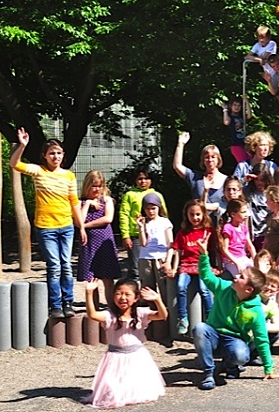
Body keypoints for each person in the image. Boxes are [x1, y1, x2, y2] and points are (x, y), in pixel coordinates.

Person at [10, 127, 85, 319]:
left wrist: (81, 226)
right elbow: (14, 163)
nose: (56, 156)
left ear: (63, 155)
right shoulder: (38, 171)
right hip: (46, 227)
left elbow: (74, 202)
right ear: (44, 156)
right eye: (52, 153)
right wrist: (23, 145)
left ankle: (68, 302)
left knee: (66, 264)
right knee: (54, 266)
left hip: (66, 226)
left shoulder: (68, 175)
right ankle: (55, 304)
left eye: (59, 153)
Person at [190, 236, 274, 390]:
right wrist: (203, 255)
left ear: (248, 290)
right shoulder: (224, 287)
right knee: (200, 328)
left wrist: (268, 368)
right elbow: (207, 277)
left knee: (241, 355)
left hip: (234, 340)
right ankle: (209, 373)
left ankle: (229, 365)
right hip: (214, 334)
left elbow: (262, 338)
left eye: (241, 277)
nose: (235, 276)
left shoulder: (255, 310)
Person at [82, 278, 167, 408]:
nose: (122, 298)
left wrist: (157, 299)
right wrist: (89, 293)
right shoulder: (109, 315)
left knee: (137, 388)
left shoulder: (140, 313)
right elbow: (92, 315)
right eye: (118, 293)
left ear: (136, 297)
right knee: (112, 393)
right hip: (115, 356)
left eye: (127, 294)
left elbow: (162, 315)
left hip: (137, 355)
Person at [165, 200, 215, 336]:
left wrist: (217, 266)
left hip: (202, 265)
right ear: (187, 215)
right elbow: (177, 250)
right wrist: (174, 267)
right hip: (186, 265)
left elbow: (215, 249)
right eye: (191, 215)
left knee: (204, 290)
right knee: (181, 287)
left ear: (203, 215)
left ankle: (211, 318)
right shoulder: (183, 233)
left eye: (198, 214)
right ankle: (183, 318)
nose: (195, 218)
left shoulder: (208, 231)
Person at [78, 170, 121, 305]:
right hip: (88, 243)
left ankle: (112, 306)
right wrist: (87, 204)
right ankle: (93, 307)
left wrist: (85, 226)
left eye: (99, 186)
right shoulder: (81, 202)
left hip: (104, 242)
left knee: (108, 278)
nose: (96, 189)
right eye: (93, 186)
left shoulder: (107, 200)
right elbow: (78, 220)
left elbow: (107, 218)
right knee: (91, 278)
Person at [173, 132, 227, 217]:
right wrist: (181, 144)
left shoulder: (226, 180)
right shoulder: (195, 177)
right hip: (199, 224)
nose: (210, 160)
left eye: (213, 157)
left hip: (220, 224)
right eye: (207, 157)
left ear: (219, 159)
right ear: (203, 160)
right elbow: (177, 166)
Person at [119, 167, 159, 279]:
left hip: (154, 235)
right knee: (135, 268)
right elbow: (124, 215)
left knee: (153, 267)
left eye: (146, 178)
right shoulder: (130, 195)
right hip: (135, 236)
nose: (143, 181)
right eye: (140, 179)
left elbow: (163, 214)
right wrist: (126, 236)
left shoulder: (156, 195)